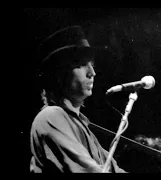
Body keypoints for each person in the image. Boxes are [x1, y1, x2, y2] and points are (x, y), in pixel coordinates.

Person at [30, 25, 126, 173]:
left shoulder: (82, 126)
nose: (92, 73)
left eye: (92, 65)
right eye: (81, 65)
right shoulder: (51, 116)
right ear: (59, 73)